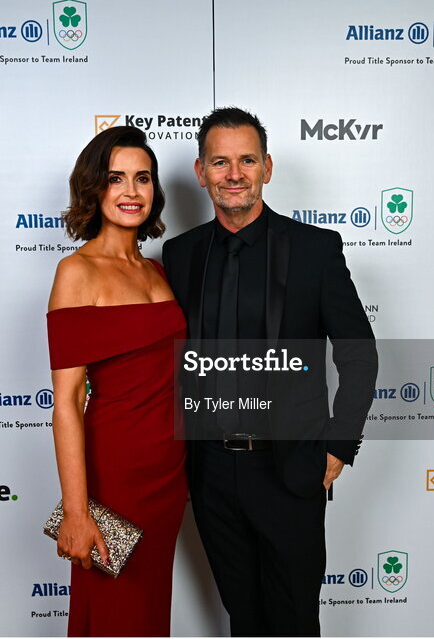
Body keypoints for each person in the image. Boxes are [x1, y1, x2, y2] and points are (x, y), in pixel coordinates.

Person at [162, 107, 378, 636]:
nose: (233, 174)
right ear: (200, 171)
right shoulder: (179, 254)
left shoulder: (314, 250)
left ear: (267, 167)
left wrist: (338, 444)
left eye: (246, 160)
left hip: (289, 468)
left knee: (294, 620)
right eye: (220, 162)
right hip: (210, 471)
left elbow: (359, 353)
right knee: (246, 619)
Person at [46, 125, 187, 637]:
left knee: (150, 616)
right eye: (115, 178)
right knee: (114, 615)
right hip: (114, 474)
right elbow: (66, 401)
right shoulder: (75, 272)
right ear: (94, 188)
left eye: (142, 178)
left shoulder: (158, 271)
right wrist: (77, 512)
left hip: (170, 473)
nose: (131, 192)